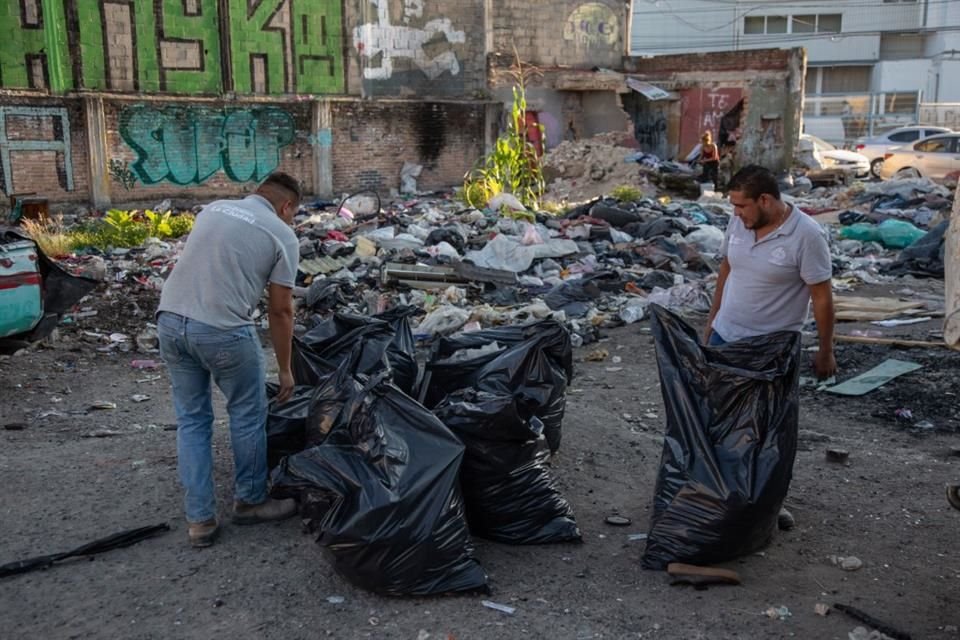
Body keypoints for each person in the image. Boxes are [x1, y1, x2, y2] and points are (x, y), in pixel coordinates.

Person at [157, 172, 302, 548]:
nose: (291, 221)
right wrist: (285, 369)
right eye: (292, 214)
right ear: (287, 206)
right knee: (248, 414)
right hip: (221, 330)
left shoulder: (213, 209)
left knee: (192, 420)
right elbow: (281, 310)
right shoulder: (282, 233)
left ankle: (200, 520)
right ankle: (250, 501)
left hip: (170, 321)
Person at [704, 165, 837, 530]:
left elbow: (822, 299)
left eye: (741, 206)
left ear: (765, 200)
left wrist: (825, 350)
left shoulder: (806, 237)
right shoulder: (741, 224)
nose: (736, 213)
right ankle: (717, 492)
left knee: (767, 430)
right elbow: (727, 270)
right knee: (717, 418)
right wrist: (711, 322)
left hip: (772, 349)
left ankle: (767, 502)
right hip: (726, 337)